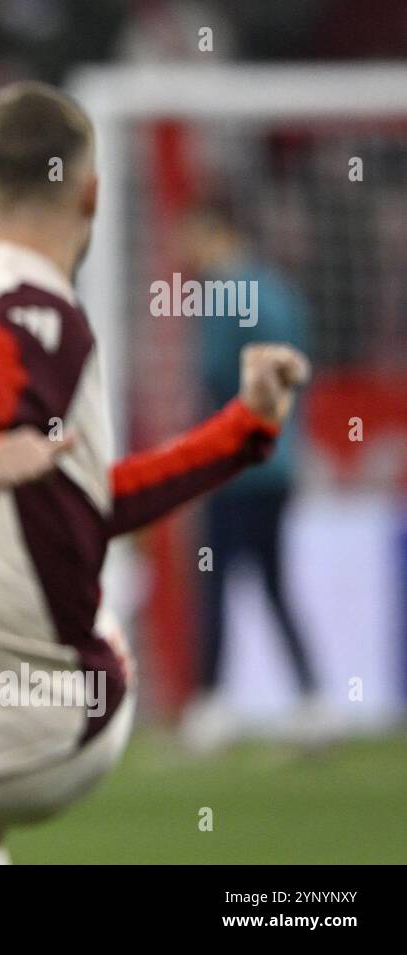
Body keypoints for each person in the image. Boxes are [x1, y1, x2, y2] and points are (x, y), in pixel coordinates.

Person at [0, 81, 309, 864]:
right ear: (91, 194)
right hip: (47, 731)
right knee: (106, 606)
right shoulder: (41, 313)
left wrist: (241, 430)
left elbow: (68, 493)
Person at [176, 204, 320, 753]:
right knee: (272, 583)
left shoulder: (226, 295)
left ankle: (211, 705)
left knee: (214, 582)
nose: (185, 246)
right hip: (279, 463)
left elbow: (215, 379)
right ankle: (311, 701)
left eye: (190, 231)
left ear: (218, 230)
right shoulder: (279, 290)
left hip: (235, 467)